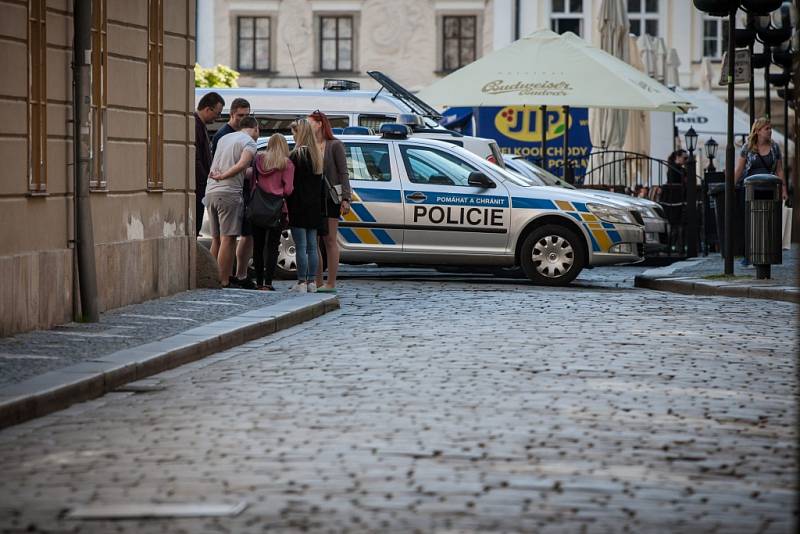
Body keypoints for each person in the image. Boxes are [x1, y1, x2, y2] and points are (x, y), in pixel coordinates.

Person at [205, 116, 259, 288]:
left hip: (211, 191)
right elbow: (243, 164)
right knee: (228, 239)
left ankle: (211, 277)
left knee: (216, 239)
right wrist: (224, 176)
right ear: (255, 128)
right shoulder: (249, 142)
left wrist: (218, 176)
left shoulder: (224, 138)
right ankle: (224, 280)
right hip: (228, 193)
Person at [734, 118, 787, 266]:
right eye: (766, 128)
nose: (770, 131)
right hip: (750, 189)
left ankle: (766, 252)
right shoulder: (748, 147)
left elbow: (779, 170)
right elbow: (739, 170)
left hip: (769, 187)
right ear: (757, 131)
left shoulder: (775, 147)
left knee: (768, 221)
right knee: (749, 221)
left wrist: (784, 190)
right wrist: (730, 185)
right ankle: (748, 255)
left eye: (770, 128)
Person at [308, 110, 351, 293]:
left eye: (310, 122)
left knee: (330, 240)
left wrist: (346, 198)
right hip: (312, 198)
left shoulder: (335, 145)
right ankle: (317, 282)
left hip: (331, 197)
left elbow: (343, 172)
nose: (307, 125)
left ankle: (331, 282)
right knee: (314, 240)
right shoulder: (307, 145)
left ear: (319, 124)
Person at [251, 134, 294, 291]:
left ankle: (259, 282)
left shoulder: (259, 160)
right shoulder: (286, 164)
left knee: (258, 246)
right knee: (272, 246)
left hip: (258, 207)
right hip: (277, 209)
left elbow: (253, 182)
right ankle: (269, 283)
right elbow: (288, 190)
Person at [286, 119, 324, 293]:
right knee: (312, 247)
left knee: (300, 246)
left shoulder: (295, 155)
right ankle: (312, 282)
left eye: (295, 133)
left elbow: (291, 183)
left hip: (298, 205)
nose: (293, 136)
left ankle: (301, 282)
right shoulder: (317, 155)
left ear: (299, 134)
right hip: (314, 207)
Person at [194, 92, 224, 237]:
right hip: (198, 186)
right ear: (207, 109)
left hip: (200, 185)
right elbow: (196, 159)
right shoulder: (195, 125)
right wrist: (206, 177)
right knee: (195, 225)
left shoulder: (200, 125)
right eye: (217, 114)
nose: (217, 118)